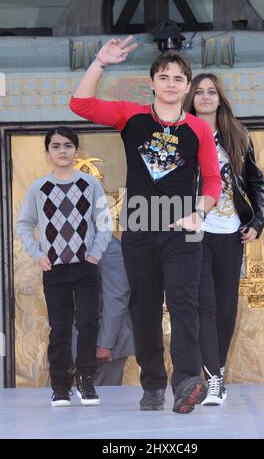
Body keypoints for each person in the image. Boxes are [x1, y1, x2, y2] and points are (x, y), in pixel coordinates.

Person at [69, 36, 222, 414]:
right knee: (144, 308)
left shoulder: (198, 129)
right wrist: (100, 63)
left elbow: (213, 181)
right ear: (152, 82)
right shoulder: (130, 116)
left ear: (187, 87)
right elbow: (80, 104)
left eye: (178, 78)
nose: (171, 83)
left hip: (185, 224)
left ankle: (187, 380)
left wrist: (199, 213)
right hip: (140, 222)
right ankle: (152, 383)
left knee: (185, 304)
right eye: (164, 76)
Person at [184, 73, 264, 405]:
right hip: (195, 233)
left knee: (227, 309)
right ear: (191, 97)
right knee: (204, 305)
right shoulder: (180, 134)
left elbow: (256, 182)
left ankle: (216, 369)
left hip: (230, 233)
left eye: (211, 92)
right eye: (199, 92)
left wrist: (257, 221)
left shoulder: (237, 135)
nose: (205, 97)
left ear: (220, 98)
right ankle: (213, 380)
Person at [16, 126, 112, 407]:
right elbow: (24, 224)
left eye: (68, 145)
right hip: (54, 269)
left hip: (85, 266)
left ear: (77, 151)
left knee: (87, 324)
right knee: (59, 328)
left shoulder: (89, 185)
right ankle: (60, 385)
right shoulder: (39, 188)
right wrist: (38, 254)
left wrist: (94, 254)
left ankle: (86, 381)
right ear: (47, 153)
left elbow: (103, 223)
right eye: (56, 146)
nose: (62, 151)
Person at [72, 235, 135, 385]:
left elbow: (115, 299)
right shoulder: (74, 242)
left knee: (103, 403)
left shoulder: (109, 247)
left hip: (104, 345)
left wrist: (105, 345)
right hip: (82, 343)